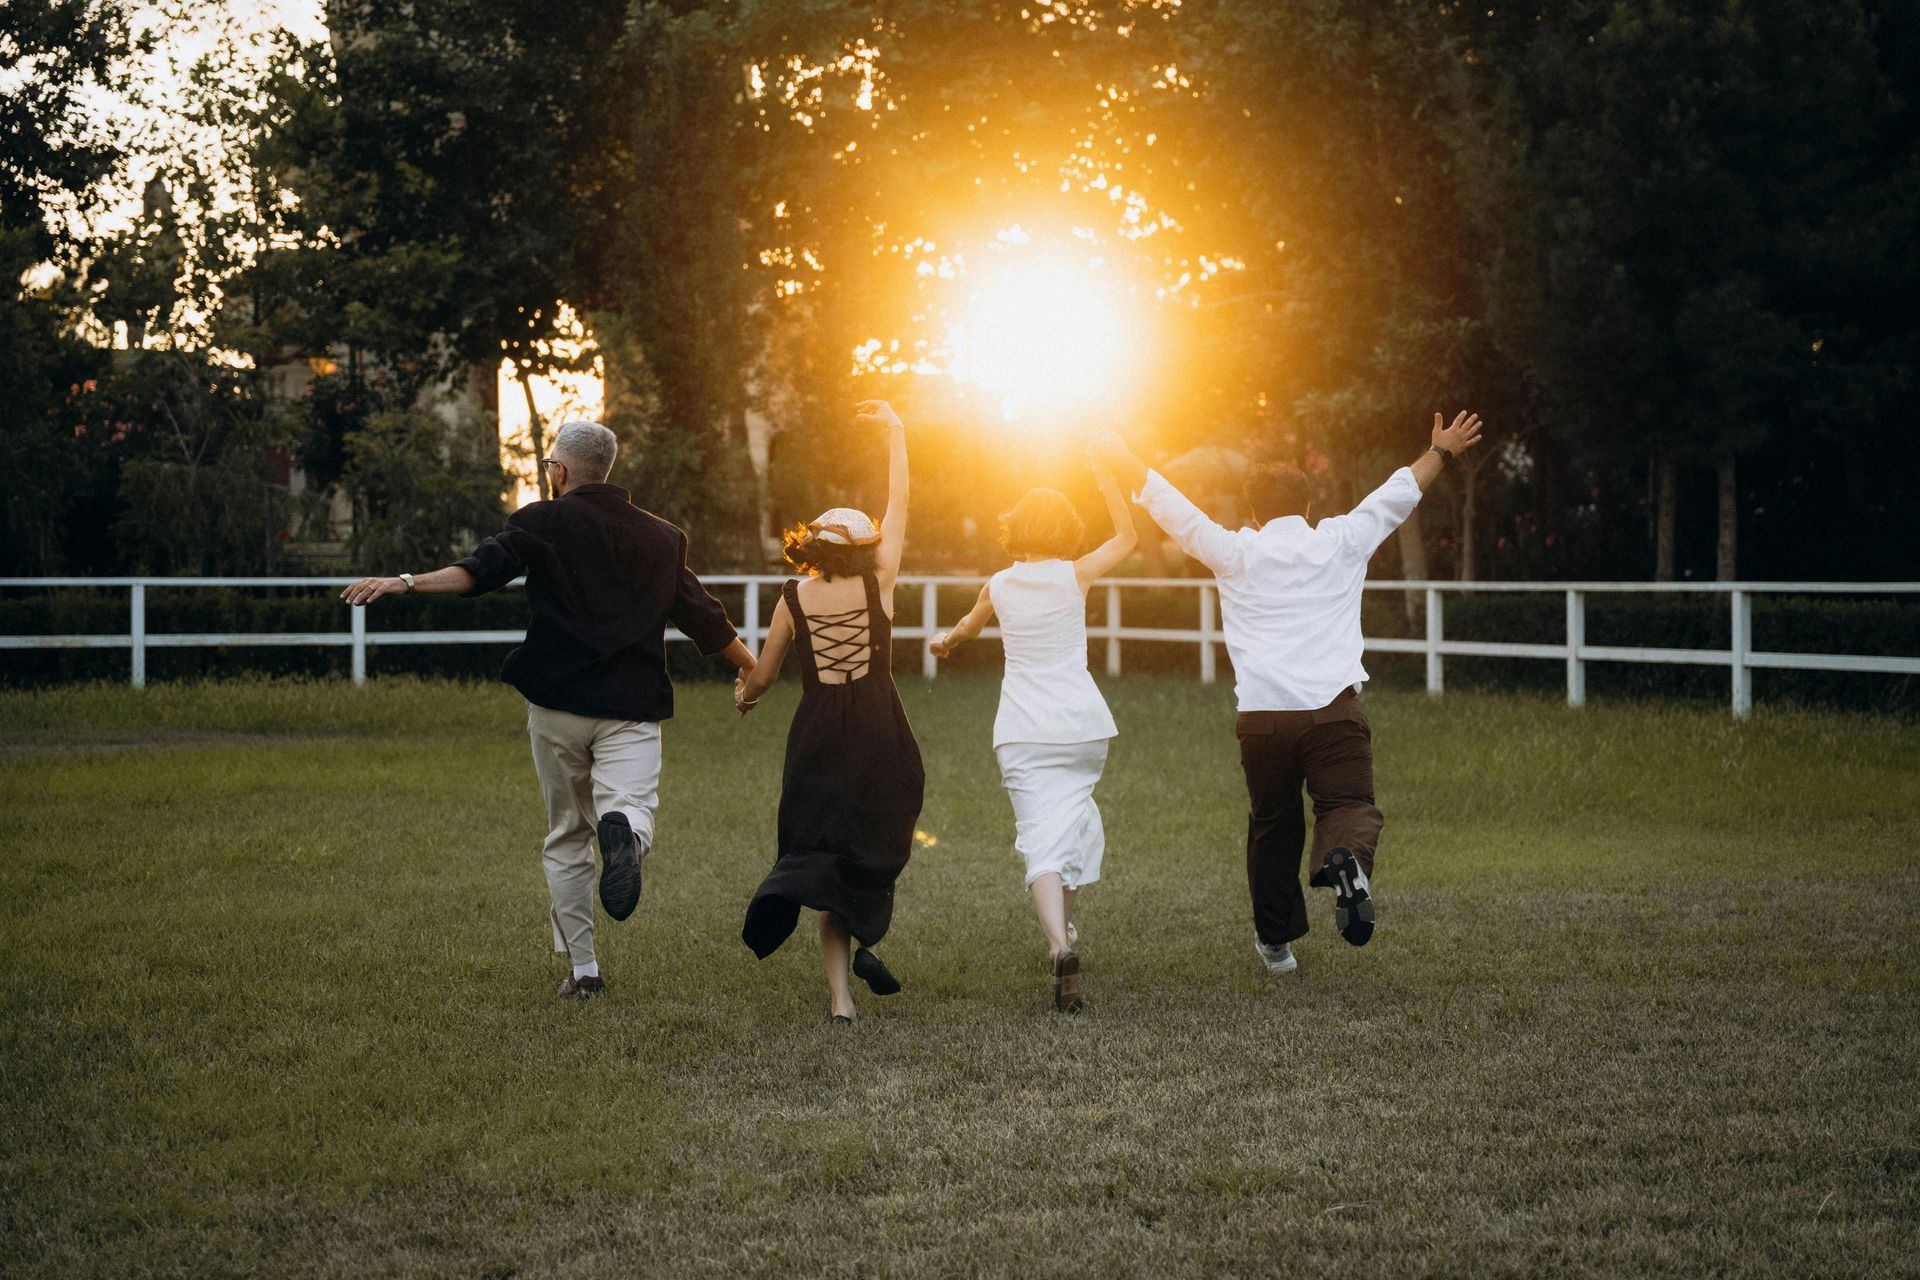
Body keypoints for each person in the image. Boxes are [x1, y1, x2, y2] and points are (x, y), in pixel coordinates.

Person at [341, 420, 755, 1000]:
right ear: (606, 469)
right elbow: (702, 615)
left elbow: (477, 572)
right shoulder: (663, 537)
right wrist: (752, 668)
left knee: (566, 835)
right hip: (631, 707)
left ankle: (584, 973)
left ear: (558, 471)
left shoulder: (542, 520)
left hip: (557, 703)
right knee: (631, 808)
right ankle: (627, 841)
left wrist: (407, 581)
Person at [1089, 412, 1485, 976]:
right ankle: (1344, 860)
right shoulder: (1341, 540)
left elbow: (1170, 505)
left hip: (1264, 721)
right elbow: (1398, 494)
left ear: (1253, 511)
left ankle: (1276, 946)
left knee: (1273, 826)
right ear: (1307, 506)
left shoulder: (1234, 551)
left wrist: (1120, 452)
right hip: (1335, 713)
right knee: (1347, 806)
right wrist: (1441, 453)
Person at [734, 400, 925, 1025]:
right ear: (864, 547)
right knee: (878, 838)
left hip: (816, 732)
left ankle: (841, 1001)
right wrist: (896, 432)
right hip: (878, 724)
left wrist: (746, 695)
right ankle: (870, 937)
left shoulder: (793, 597)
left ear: (811, 545)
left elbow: (762, 675)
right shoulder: (881, 582)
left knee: (822, 856)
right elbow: (900, 503)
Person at [929, 461, 1136, 1013]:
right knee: (1071, 825)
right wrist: (1110, 482)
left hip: (1023, 730)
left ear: (1014, 529)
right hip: (1082, 728)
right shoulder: (1077, 573)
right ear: (1066, 531)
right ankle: (1065, 932)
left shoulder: (999, 584)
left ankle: (1058, 945)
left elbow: (967, 630)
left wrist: (942, 643)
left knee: (1040, 838)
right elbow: (1129, 536)